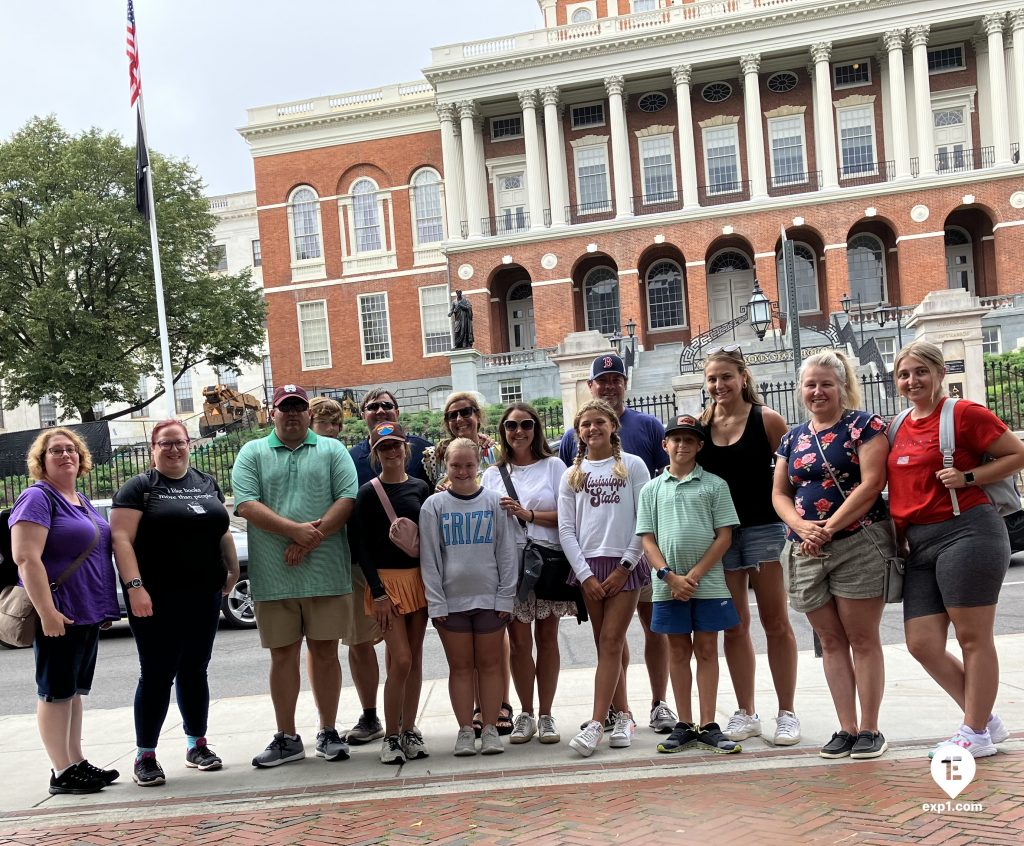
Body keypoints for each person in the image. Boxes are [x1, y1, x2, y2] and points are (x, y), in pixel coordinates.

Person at [888, 341, 1024, 757]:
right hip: (919, 543)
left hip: (968, 531)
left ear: (939, 372)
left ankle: (975, 732)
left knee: (972, 638)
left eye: (921, 372)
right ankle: (983, 718)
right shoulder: (897, 425)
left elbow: (1018, 454)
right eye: (904, 374)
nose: (912, 381)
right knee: (921, 642)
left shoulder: (963, 414)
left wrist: (968, 476)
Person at [772, 351, 892, 760]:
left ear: (842, 386)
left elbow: (872, 482)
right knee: (829, 640)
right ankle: (846, 726)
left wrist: (827, 528)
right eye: (810, 384)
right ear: (800, 389)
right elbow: (779, 493)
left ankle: (870, 728)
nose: (818, 391)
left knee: (861, 638)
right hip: (806, 548)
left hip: (857, 542)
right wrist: (803, 527)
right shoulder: (792, 437)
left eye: (826, 383)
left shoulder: (864, 426)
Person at [231, 384, 358, 768]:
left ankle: (328, 731)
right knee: (282, 656)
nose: (292, 414)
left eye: (298, 408)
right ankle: (286, 737)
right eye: (285, 408)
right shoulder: (252, 452)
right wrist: (293, 531)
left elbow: (347, 499)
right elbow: (246, 504)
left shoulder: (333, 450)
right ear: (273, 413)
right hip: (274, 577)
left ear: (308, 412)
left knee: (324, 652)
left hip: (325, 574)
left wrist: (306, 541)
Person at [110, 419, 239, 786]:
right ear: (153, 447)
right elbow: (120, 539)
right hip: (156, 597)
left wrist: (231, 570)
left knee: (195, 669)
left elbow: (222, 529)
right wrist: (135, 587)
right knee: (156, 673)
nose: (173, 449)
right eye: (165, 443)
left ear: (189, 444)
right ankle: (145, 755)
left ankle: (196, 744)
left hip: (203, 594)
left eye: (179, 442)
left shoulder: (204, 482)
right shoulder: (140, 488)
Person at [558, 353, 677, 736]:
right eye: (602, 379)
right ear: (591, 386)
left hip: (639, 552)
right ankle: (616, 710)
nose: (609, 385)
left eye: (616, 378)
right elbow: (570, 515)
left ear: (625, 383)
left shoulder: (647, 426)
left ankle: (659, 703)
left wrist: (638, 555)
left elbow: (664, 486)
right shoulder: (571, 449)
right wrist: (583, 570)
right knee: (608, 639)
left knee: (652, 627)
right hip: (592, 561)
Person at [697, 346, 801, 746]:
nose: (719, 385)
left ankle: (787, 712)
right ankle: (746, 711)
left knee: (777, 622)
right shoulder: (702, 427)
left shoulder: (767, 420)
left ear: (743, 377)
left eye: (725, 376)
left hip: (765, 530)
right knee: (735, 625)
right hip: (721, 535)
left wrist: (797, 522)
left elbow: (792, 475)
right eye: (712, 379)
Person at [9, 428, 120, 795]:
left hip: (86, 610)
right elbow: (25, 557)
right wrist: (47, 612)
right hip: (59, 611)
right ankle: (61, 771)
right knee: (54, 692)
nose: (65, 455)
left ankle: (76, 760)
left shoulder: (79, 499)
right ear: (41, 461)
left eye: (71, 449)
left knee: (73, 692)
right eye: (55, 451)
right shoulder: (37, 498)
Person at [636, 415, 741, 754]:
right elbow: (647, 540)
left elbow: (724, 536)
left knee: (707, 649)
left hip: (706, 585)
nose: (681, 445)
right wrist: (669, 575)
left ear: (699, 445)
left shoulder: (715, 485)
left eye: (689, 439)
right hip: (668, 585)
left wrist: (693, 576)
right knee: (678, 651)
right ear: (664, 445)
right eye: (675, 439)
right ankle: (684, 723)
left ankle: (708, 723)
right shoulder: (651, 490)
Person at [559, 399, 651, 757]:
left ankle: (597, 723)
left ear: (613, 426)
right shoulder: (572, 475)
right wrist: (584, 574)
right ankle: (624, 714)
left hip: (624, 567)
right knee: (606, 646)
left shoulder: (632, 465)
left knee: (612, 641)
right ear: (578, 432)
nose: (592, 429)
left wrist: (626, 565)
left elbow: (644, 520)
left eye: (599, 422)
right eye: (585, 425)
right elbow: (567, 529)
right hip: (588, 568)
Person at [481, 402, 576, 745]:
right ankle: (526, 712)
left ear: (535, 429)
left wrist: (527, 514)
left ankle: (547, 713)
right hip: (510, 564)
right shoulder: (493, 474)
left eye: (525, 424)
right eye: (510, 426)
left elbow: (568, 516)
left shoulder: (554, 467)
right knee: (520, 644)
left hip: (548, 560)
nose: (518, 431)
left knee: (547, 639)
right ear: (503, 432)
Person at [419, 437, 518, 757]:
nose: (462, 471)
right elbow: (430, 559)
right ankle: (465, 728)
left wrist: (506, 596)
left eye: (469, 465)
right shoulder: (433, 506)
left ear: (479, 465)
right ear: (444, 466)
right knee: (460, 668)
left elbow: (506, 552)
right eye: (455, 465)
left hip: (489, 600)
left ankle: (489, 727)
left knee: (490, 666)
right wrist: (436, 601)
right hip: (452, 604)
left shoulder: (493, 502)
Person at [352, 422, 432, 764]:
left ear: (406, 448)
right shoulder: (368, 492)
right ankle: (391, 736)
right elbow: (360, 545)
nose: (392, 452)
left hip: (418, 581)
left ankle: (410, 729)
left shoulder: (421, 487)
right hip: (386, 585)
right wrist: (378, 591)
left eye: (397, 445)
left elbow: (430, 538)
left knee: (414, 660)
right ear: (376, 453)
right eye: (384, 448)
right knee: (399, 660)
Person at [422, 391, 498, 489]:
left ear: (478, 416)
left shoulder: (495, 453)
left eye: (465, 412)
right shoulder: (435, 457)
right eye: (452, 415)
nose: (459, 419)